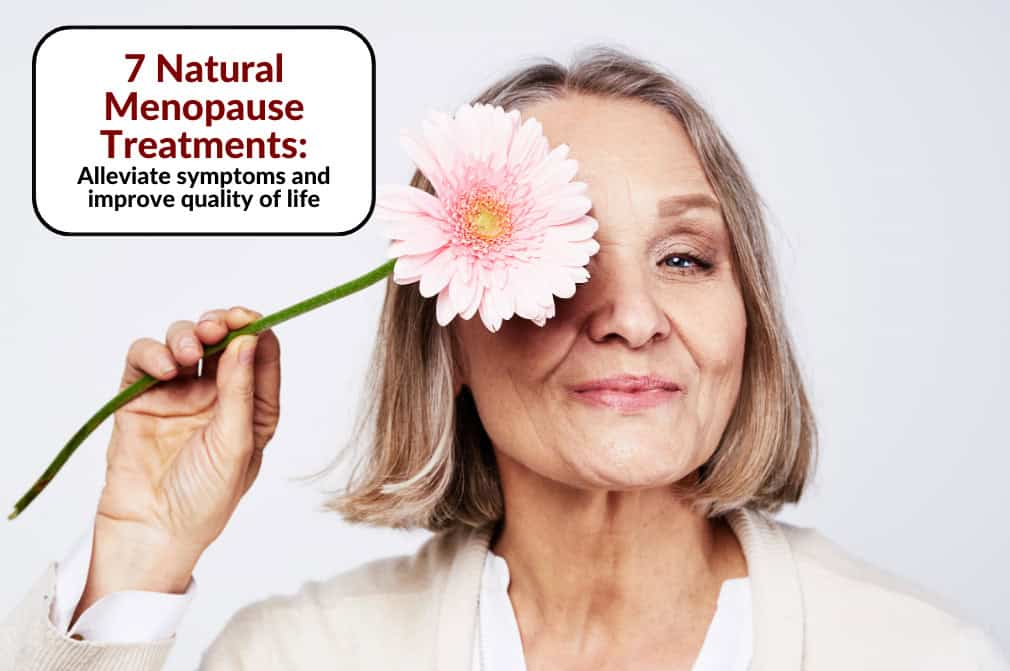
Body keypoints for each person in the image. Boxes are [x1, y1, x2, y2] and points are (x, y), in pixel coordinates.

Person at [3, 45, 1008, 671]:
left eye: (682, 257)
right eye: (566, 265)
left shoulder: (917, 658)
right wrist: (139, 558)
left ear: (747, 320)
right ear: (448, 334)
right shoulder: (300, 656)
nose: (629, 316)